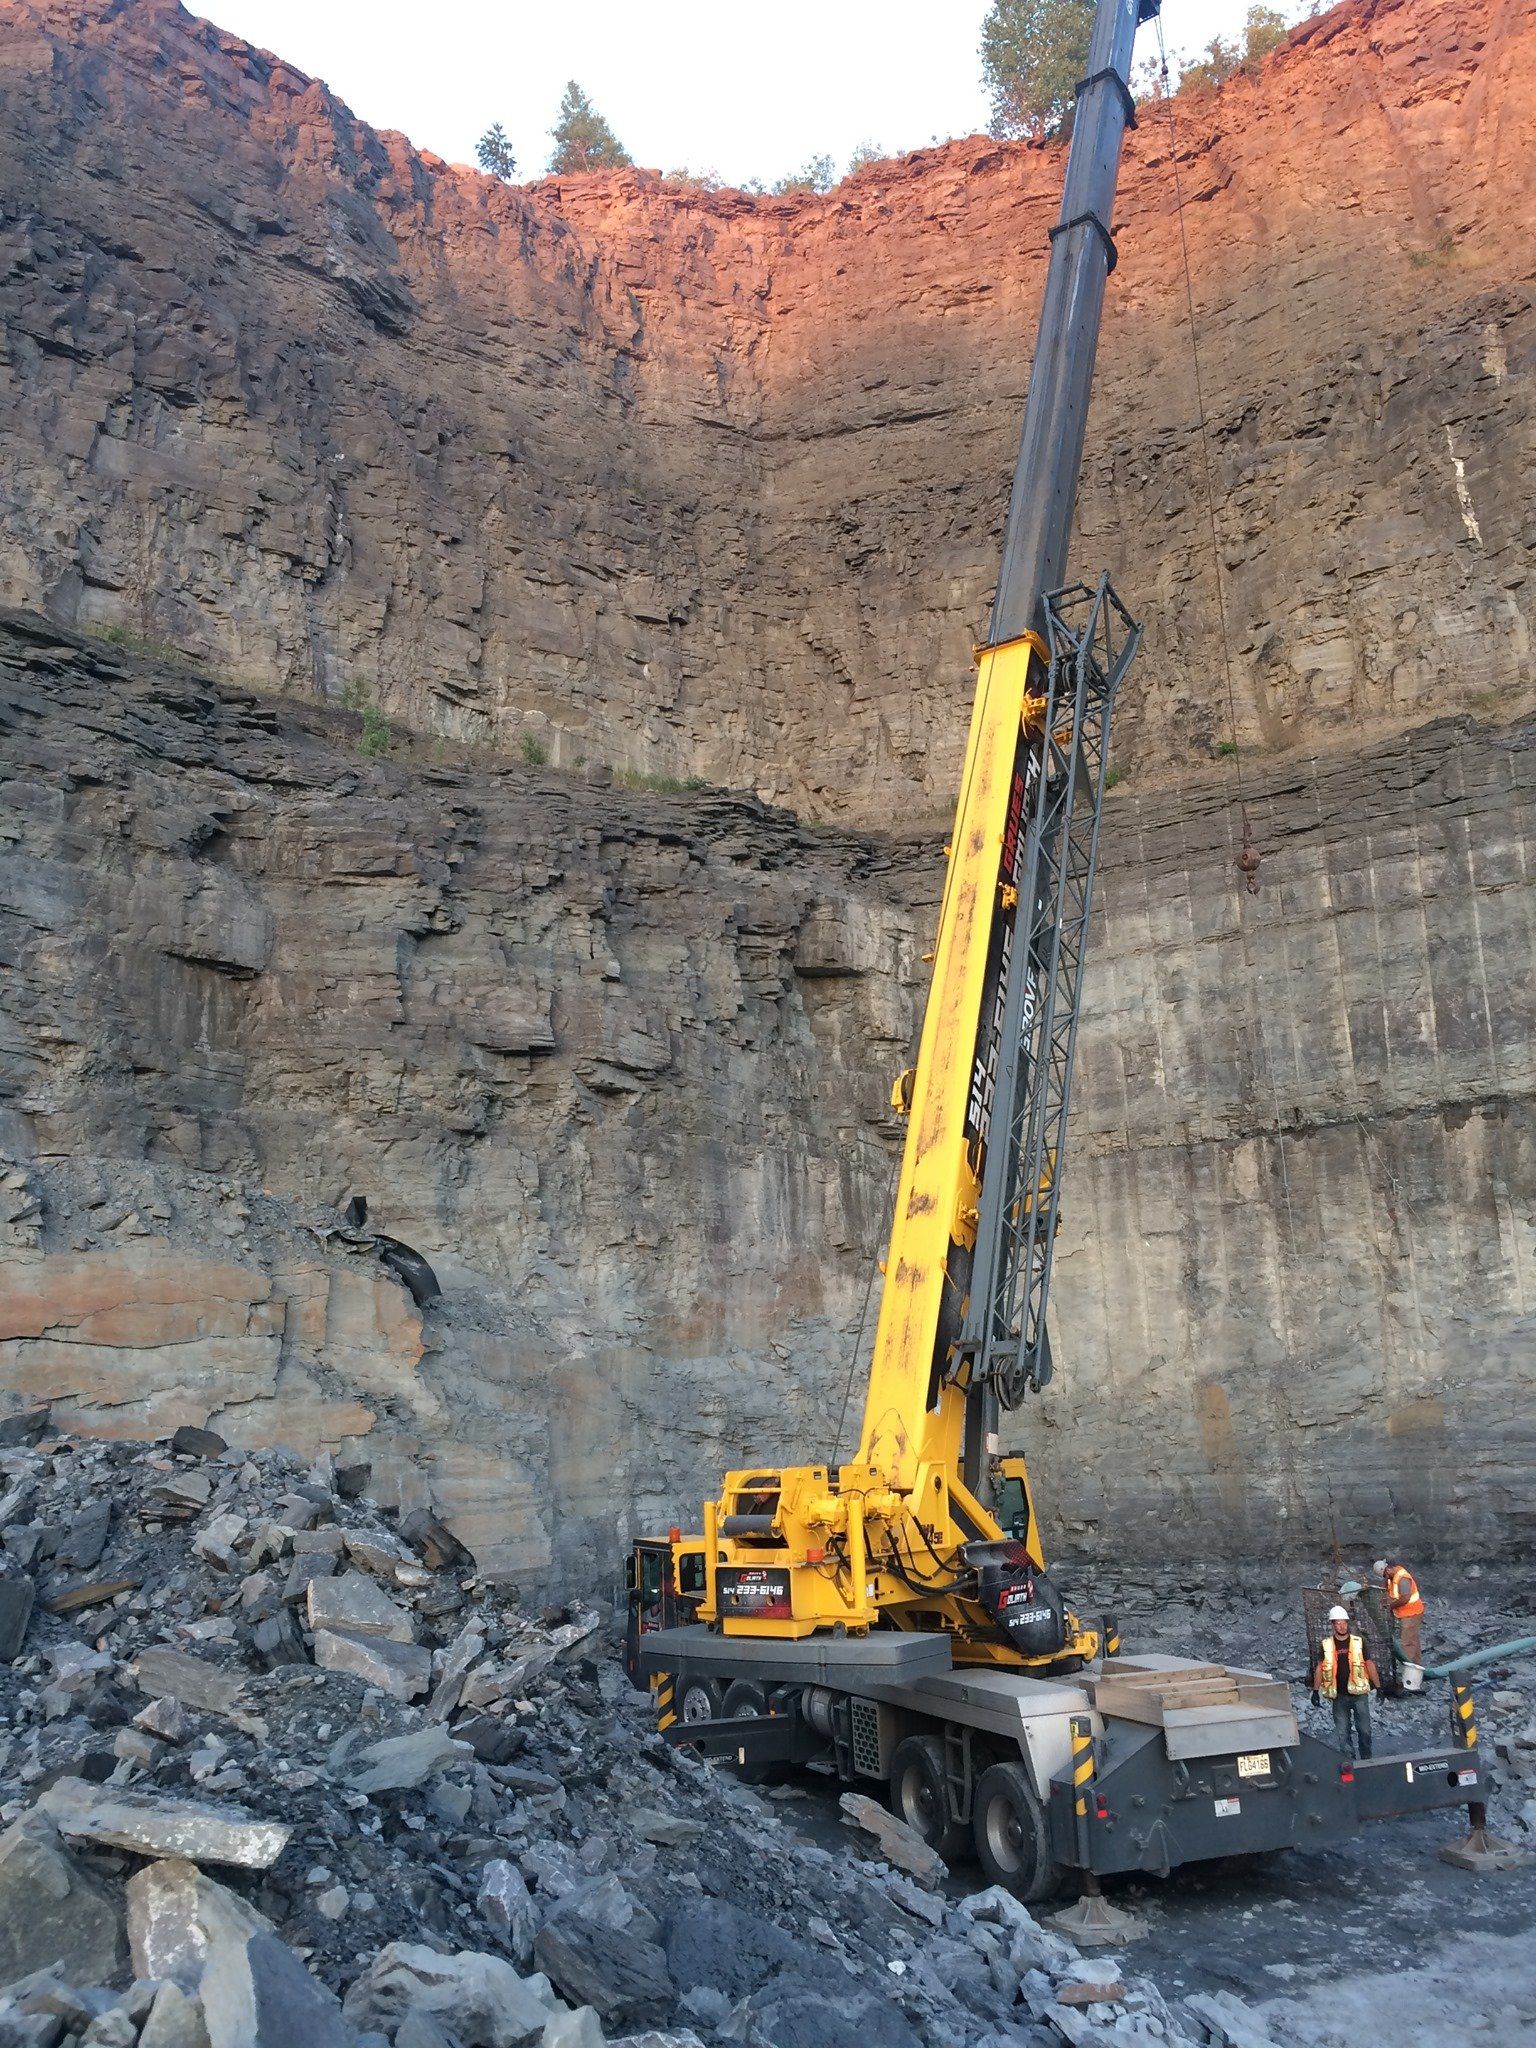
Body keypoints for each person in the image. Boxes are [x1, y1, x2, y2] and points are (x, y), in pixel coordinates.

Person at [1313, 1603, 1380, 1758]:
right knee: (1343, 1733)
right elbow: (1320, 1668)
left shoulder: (1358, 1642)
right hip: (1339, 1696)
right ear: (1333, 1625)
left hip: (1359, 1695)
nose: (1342, 1626)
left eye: (1344, 1622)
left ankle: (1366, 1760)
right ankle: (1351, 1762)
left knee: (1365, 1731)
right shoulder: (1326, 1645)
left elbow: (1369, 1663)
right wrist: (1315, 1691)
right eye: (1338, 1623)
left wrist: (1378, 1687)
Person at [1374, 1557, 1424, 1665]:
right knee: (1413, 1640)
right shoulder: (1392, 1577)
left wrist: (1390, 1606)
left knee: (1407, 1643)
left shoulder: (1403, 1578)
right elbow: (1390, 1592)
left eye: (1384, 1575)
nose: (1385, 1578)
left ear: (1387, 1570)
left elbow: (1405, 1598)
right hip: (1405, 1613)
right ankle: (1417, 1667)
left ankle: (1409, 1670)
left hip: (1411, 1613)